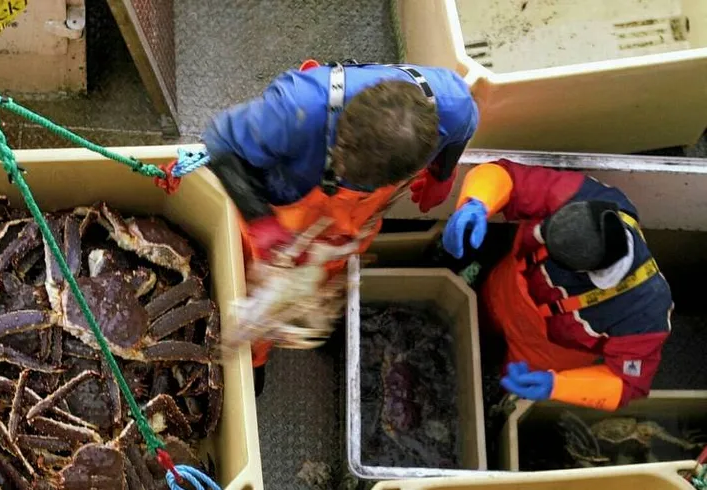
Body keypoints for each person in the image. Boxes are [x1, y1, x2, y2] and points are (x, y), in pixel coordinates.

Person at [202, 59, 480, 394]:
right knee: (255, 294)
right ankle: (253, 360)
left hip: (349, 228)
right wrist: (262, 223)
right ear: (342, 135)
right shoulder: (297, 108)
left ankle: (306, 322)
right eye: (346, 167)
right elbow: (219, 143)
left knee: (328, 280)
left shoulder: (454, 104)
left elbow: (465, 128)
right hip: (281, 213)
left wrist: (442, 174)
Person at [442, 158, 673, 411]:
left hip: (541, 351)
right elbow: (509, 176)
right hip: (504, 290)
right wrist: (477, 202)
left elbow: (629, 382)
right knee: (471, 317)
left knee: (496, 386)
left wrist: (557, 385)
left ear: (582, 272)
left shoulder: (646, 311)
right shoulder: (579, 194)